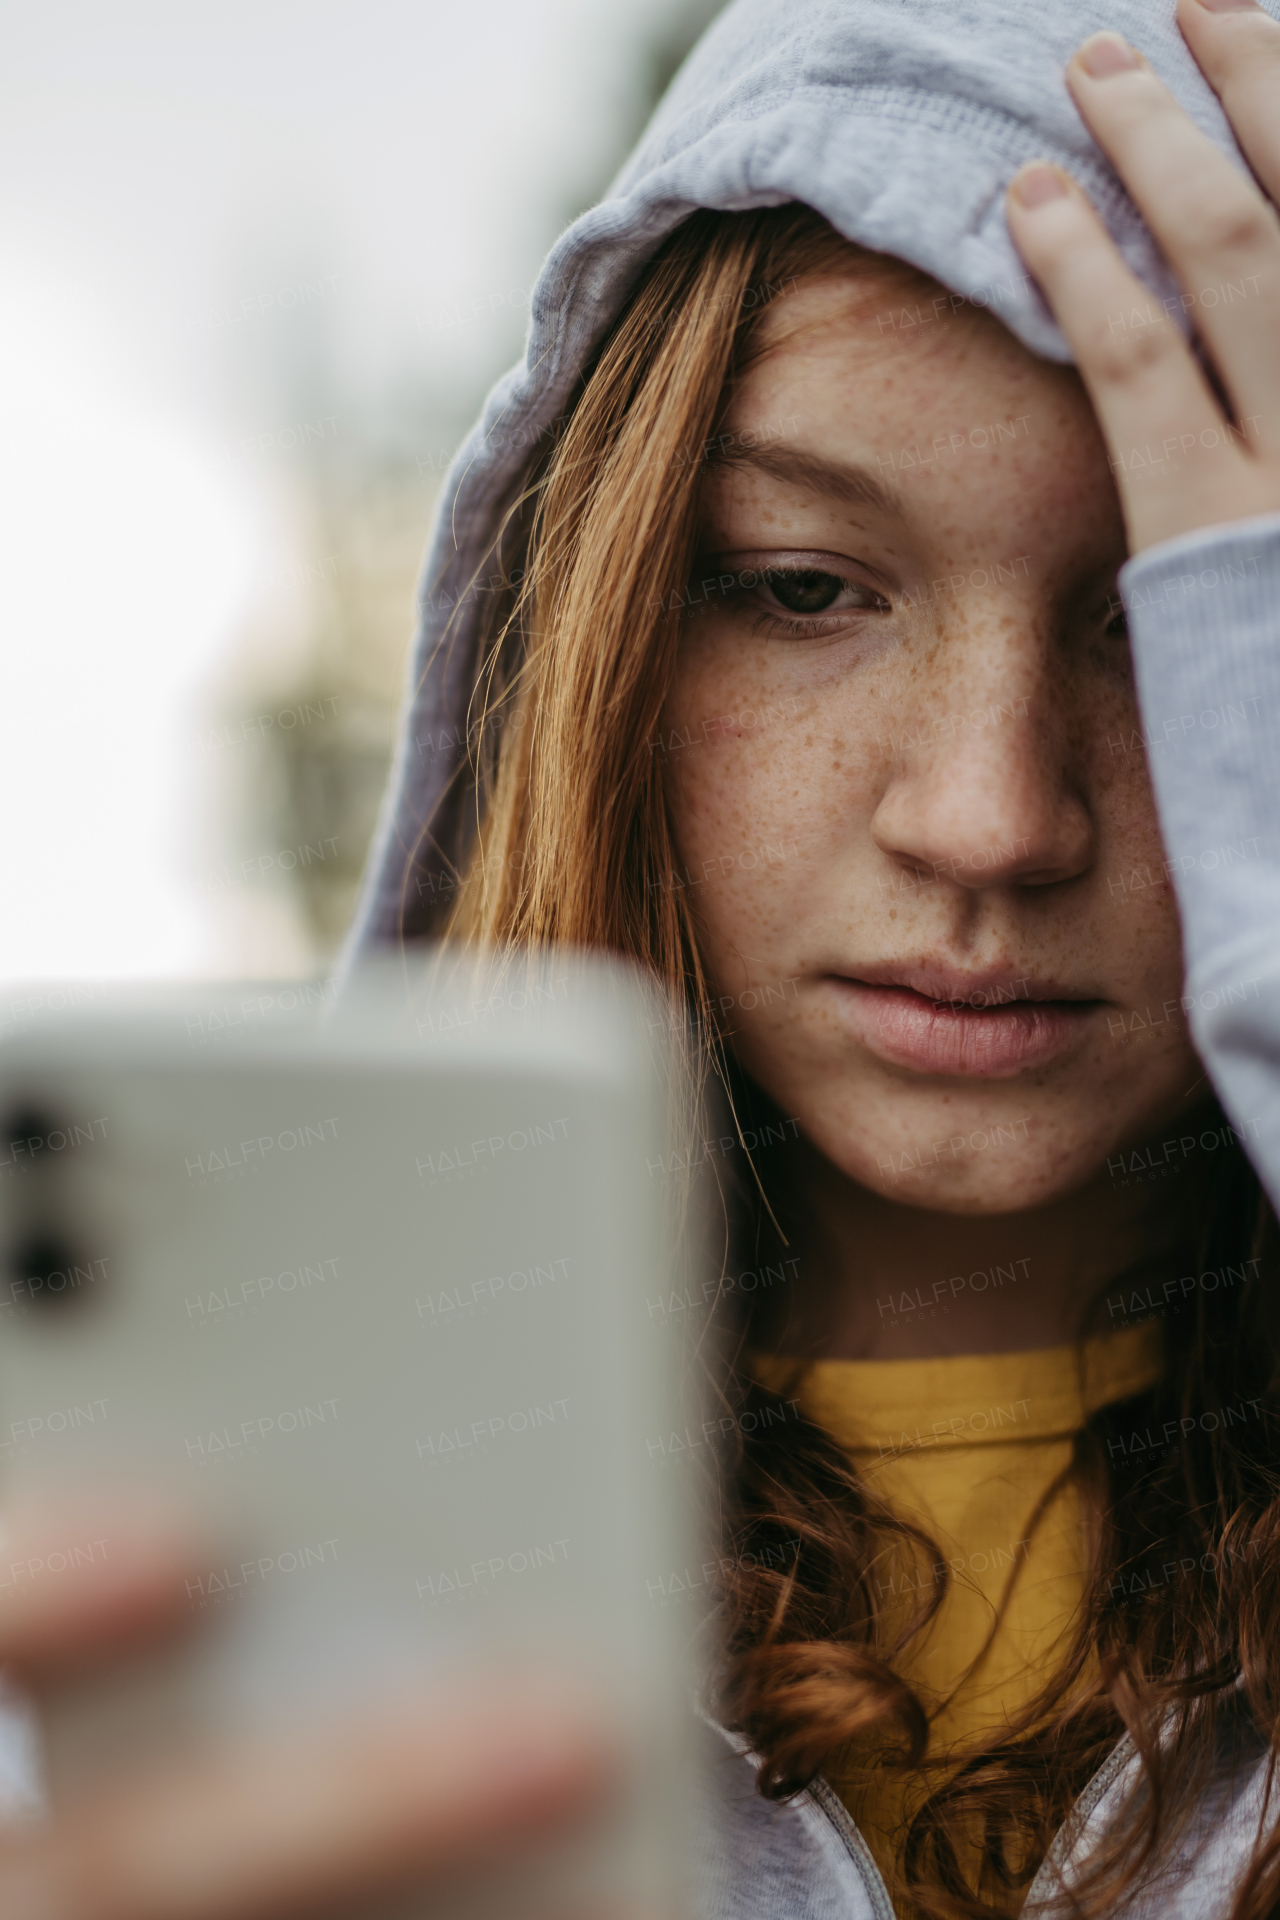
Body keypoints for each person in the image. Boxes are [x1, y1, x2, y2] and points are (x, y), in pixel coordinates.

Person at [8, 0, 1280, 1915]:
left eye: (1168, 621)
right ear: (597, 632)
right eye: (801, 587)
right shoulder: (175, 1573)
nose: (993, 819)